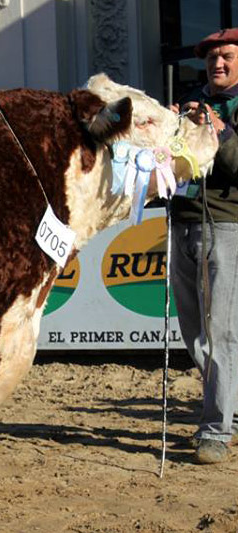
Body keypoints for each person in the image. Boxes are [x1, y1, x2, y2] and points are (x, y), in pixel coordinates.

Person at [170, 27, 238, 464]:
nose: (217, 63)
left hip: (226, 226)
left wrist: (222, 131)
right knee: (194, 331)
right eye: (212, 58)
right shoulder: (197, 103)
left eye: (226, 56)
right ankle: (229, 409)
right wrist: (169, 131)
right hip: (183, 221)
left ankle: (215, 429)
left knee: (219, 333)